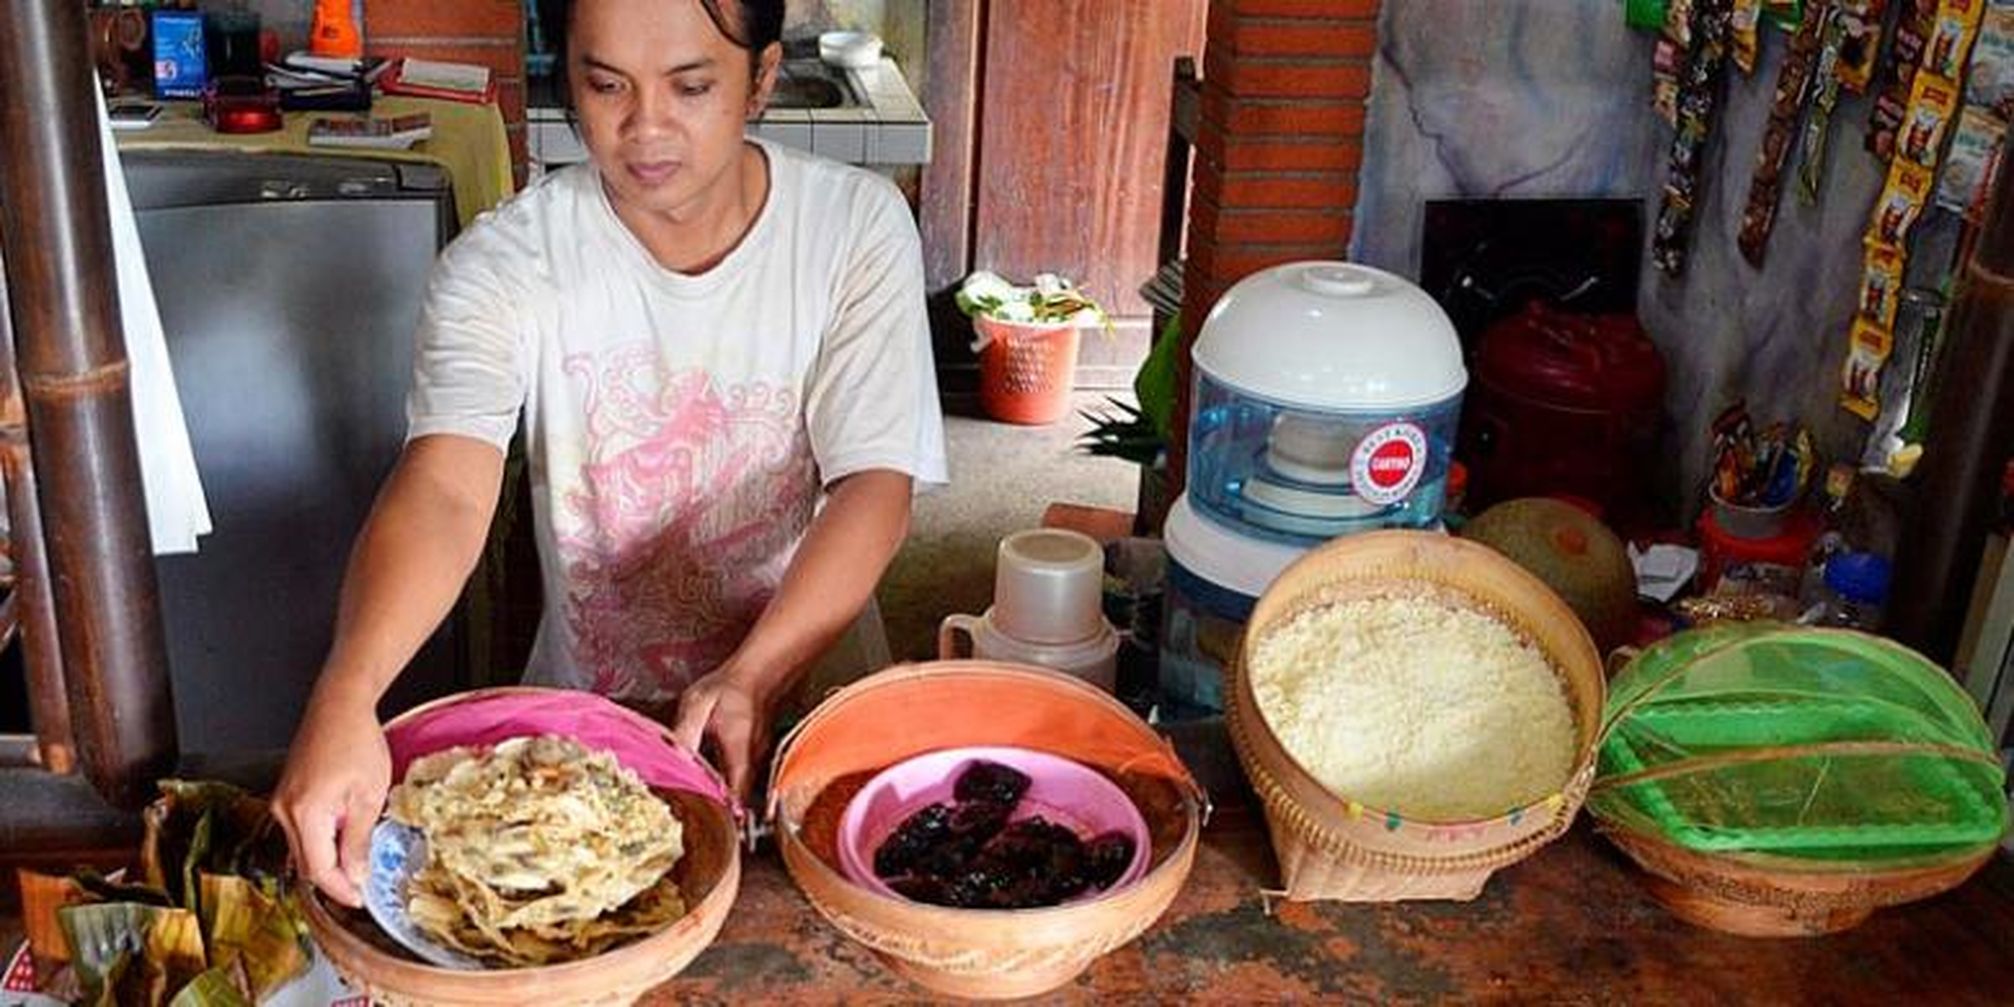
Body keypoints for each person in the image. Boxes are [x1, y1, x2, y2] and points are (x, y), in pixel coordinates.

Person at [271, 0, 946, 908]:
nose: (645, 127)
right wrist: (346, 693)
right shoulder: (505, 263)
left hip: (810, 714)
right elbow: (445, 487)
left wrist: (755, 672)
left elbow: (874, 485)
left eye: (692, 86)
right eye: (605, 85)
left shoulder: (854, 231)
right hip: (589, 740)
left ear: (764, 77)